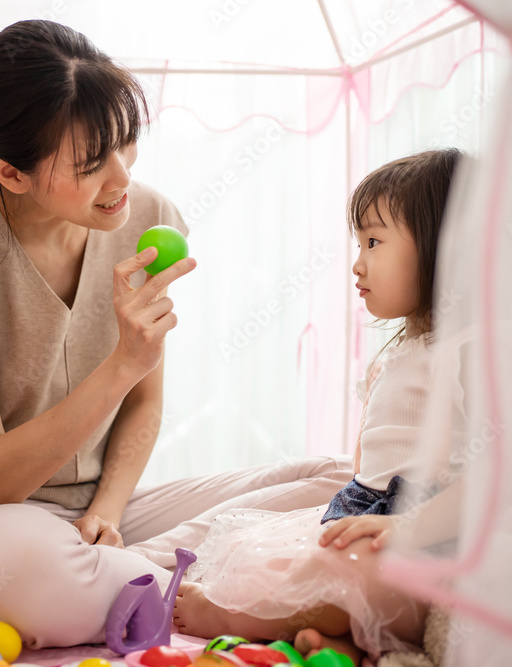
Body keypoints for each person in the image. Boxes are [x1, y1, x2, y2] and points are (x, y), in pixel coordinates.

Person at [0, 20, 352, 649]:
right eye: (90, 164)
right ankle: (191, 579)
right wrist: (123, 363)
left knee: (342, 484)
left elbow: (146, 406)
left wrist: (104, 512)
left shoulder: (145, 218)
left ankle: (144, 566)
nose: (121, 179)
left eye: (125, 144)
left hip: (100, 509)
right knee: (53, 585)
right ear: (11, 173)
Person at [170, 149, 464, 664]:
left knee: (354, 574)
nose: (358, 262)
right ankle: (342, 641)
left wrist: (404, 527)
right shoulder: (402, 350)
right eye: (359, 243)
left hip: (427, 535)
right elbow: (371, 457)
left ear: (446, 248)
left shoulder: (470, 349)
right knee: (269, 555)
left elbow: (496, 476)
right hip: (364, 510)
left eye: (373, 242)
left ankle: (233, 619)